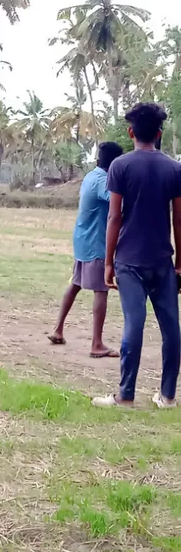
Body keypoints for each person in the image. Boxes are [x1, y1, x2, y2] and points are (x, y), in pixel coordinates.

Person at [93, 102, 181, 409]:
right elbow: (179, 220)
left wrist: (107, 262)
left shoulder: (120, 166)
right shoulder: (174, 168)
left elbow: (114, 218)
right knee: (171, 327)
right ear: (159, 133)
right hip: (163, 261)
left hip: (129, 260)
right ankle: (168, 396)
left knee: (134, 324)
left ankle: (126, 395)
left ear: (131, 132)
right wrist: (180, 262)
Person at [48, 142, 124, 357]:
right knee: (101, 289)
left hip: (83, 240)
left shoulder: (91, 176)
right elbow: (118, 204)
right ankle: (96, 344)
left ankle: (58, 329)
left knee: (75, 284)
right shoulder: (103, 181)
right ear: (116, 163)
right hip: (95, 243)